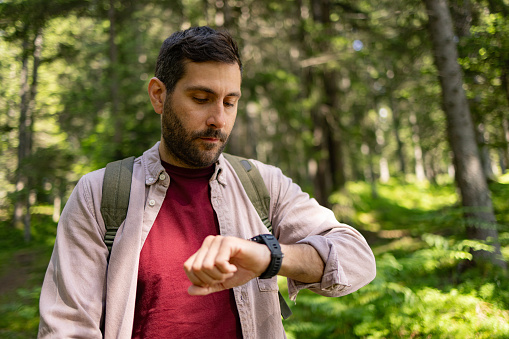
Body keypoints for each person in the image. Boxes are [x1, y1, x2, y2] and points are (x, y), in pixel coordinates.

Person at [38, 26, 376, 339]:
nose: (219, 119)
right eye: (201, 99)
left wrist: (269, 257)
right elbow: (67, 328)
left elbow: (357, 259)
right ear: (159, 95)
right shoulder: (99, 193)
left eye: (230, 102)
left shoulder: (264, 184)